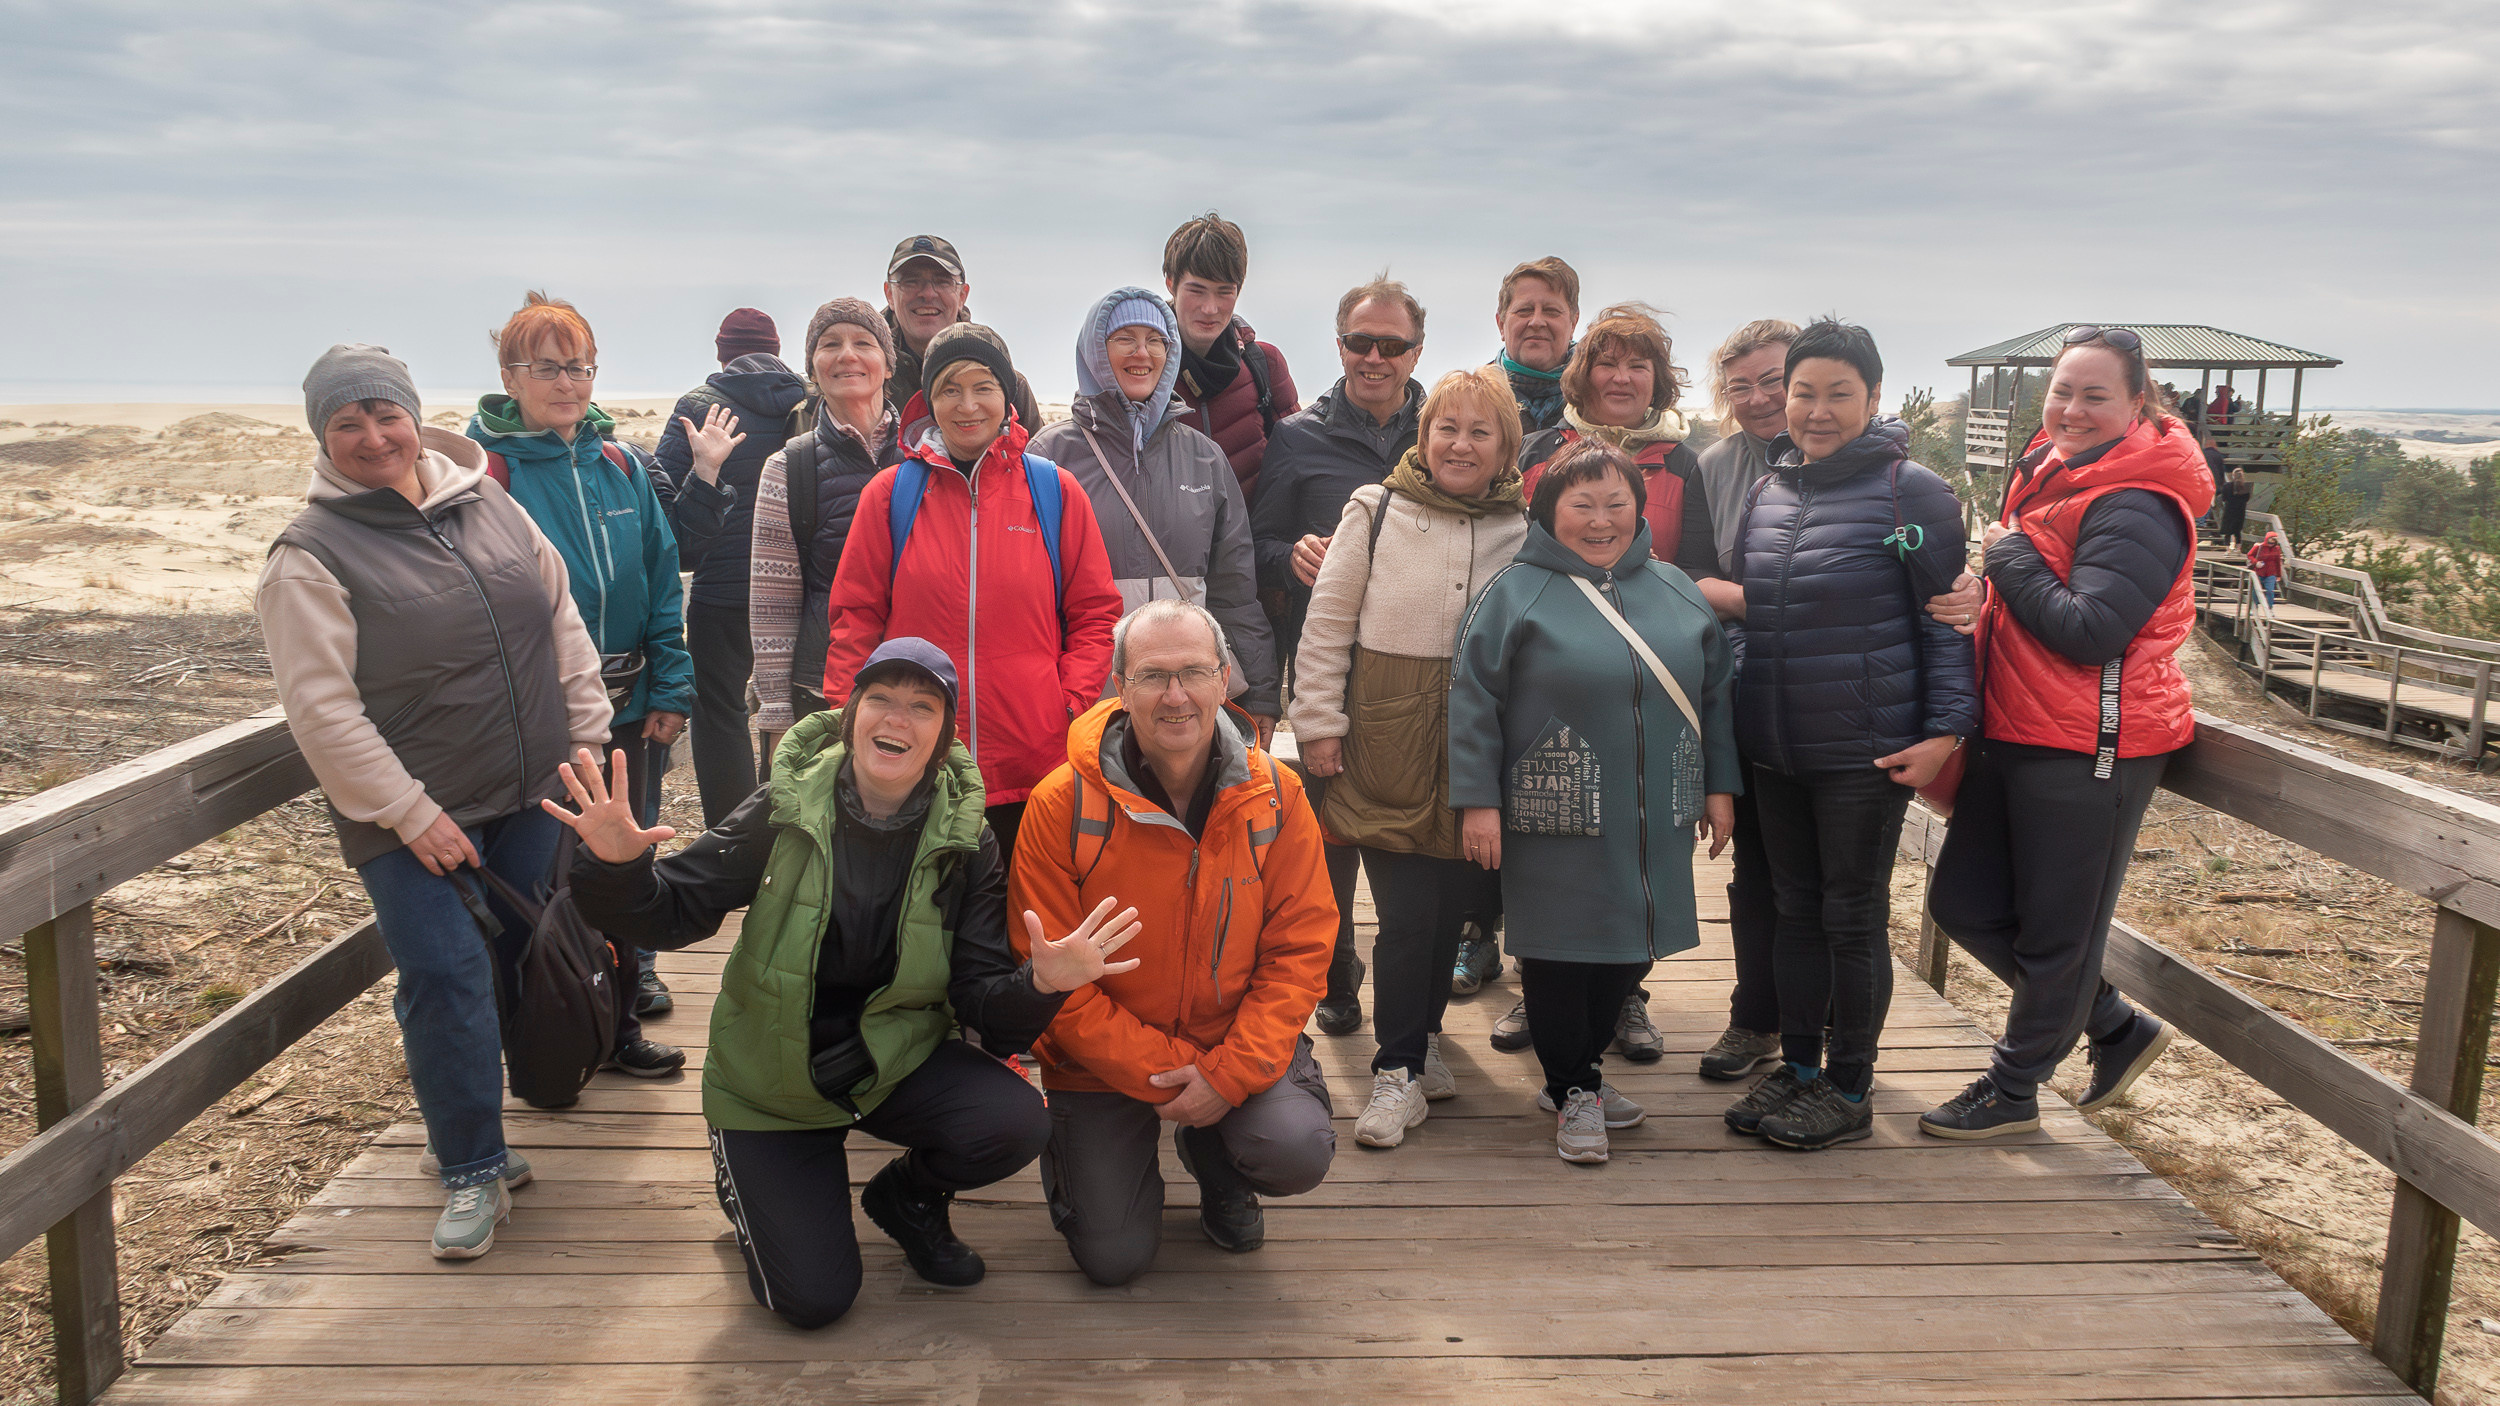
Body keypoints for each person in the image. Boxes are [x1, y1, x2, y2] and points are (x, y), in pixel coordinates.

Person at [559, 638, 1143, 1326]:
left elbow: (984, 1008)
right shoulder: (784, 805)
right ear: (851, 715)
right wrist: (618, 869)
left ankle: (906, 1198)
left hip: (890, 1067)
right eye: (881, 699)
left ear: (943, 736)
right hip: (770, 1088)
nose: (898, 719)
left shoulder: (967, 841)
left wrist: (1043, 984)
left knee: (1014, 1122)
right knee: (813, 1301)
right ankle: (753, 1184)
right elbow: (671, 914)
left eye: (922, 707)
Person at [260, 344, 612, 1259]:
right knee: (445, 972)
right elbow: (322, 710)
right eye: (348, 423)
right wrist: (411, 813)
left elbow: (559, 616)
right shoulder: (308, 555)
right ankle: (470, 1167)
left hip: (530, 791)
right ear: (323, 437)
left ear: (415, 419)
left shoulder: (486, 501)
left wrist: (586, 731)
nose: (374, 437)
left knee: (511, 964)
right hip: (408, 815)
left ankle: (461, 1126)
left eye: (387, 415)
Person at [1916, 326, 2211, 1139]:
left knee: (2057, 934)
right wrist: (1984, 595)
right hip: (2017, 726)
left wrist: (2006, 559)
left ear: (2137, 402)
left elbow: (2091, 632)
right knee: (1965, 903)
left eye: (2095, 395)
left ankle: (2014, 1093)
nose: (2073, 409)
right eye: (2062, 392)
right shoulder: (2056, 475)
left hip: (2092, 745)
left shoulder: (2139, 502)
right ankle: (2112, 1024)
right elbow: (2036, 602)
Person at [1011, 600, 1337, 1282]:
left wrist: (1228, 1075)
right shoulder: (1061, 804)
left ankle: (1217, 1164)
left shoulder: (1277, 795)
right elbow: (1055, 986)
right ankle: (1098, 1164)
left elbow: (1300, 950)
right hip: (1101, 1062)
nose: (1176, 695)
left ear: (1224, 679)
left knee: (1293, 1149)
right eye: (1153, 676)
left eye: (1194, 672)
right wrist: (1173, 1073)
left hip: (1231, 1040)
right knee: (1114, 1257)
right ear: (1120, 686)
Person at [1723, 319, 1976, 1152]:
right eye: (1804, 392)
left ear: (1872, 398)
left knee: (1852, 914)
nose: (1817, 411)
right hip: (1776, 745)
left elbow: (1948, 622)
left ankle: (1851, 1085)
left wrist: (1946, 732)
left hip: (1866, 750)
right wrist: (1743, 704)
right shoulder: (1769, 491)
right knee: (1794, 909)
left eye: (1839, 394)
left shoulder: (1914, 494)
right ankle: (1800, 1067)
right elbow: (1749, 616)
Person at [1450, 440, 1740, 1163]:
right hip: (1552, 815)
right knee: (1558, 955)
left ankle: (1574, 1079)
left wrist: (1719, 786)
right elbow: (1472, 702)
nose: (1601, 520)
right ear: (1549, 511)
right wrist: (1477, 801)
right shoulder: (1514, 593)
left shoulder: (1676, 588)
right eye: (1582, 504)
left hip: (1655, 815)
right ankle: (1575, 1086)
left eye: (1617, 503)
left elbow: (1715, 697)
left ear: (1640, 510)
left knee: (1629, 950)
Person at [1290, 367, 1528, 1148]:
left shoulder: (1523, 529)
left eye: (1480, 432)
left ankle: (1422, 1041)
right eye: (1446, 428)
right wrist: (1317, 723)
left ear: (1506, 448)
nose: (1460, 444)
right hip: (1384, 742)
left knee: (1447, 911)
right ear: (1423, 438)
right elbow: (1328, 623)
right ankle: (1395, 1070)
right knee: (1403, 916)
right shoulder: (1375, 507)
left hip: (1474, 752)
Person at [467, 291, 691, 1074]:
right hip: (541, 718)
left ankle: (619, 1026)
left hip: (628, 707)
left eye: (580, 367)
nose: (567, 383)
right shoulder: (485, 475)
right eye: (547, 368)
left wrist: (671, 684)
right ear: (510, 376)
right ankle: (547, 1036)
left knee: (620, 864)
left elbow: (661, 574)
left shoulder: (620, 465)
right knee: (539, 879)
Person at [1495, 302, 1725, 1055]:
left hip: (1644, 669)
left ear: (1658, 377)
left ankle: (1626, 998)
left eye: (1638, 364)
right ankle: (1541, 988)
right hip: (1556, 668)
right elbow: (1515, 556)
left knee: (1634, 847)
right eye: (1607, 362)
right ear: (1582, 373)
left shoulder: (1683, 461)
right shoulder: (1540, 451)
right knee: (1555, 843)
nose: (1622, 377)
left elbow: (1694, 568)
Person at [823, 321, 1123, 861]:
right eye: (950, 389)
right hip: (916, 758)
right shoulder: (890, 495)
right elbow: (856, 619)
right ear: (929, 401)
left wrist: (1066, 703)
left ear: (1006, 396)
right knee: (920, 908)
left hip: (1033, 767)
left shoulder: (1054, 490)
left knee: (1023, 906)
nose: (967, 406)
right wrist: (852, 719)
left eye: (983, 387)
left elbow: (1095, 613)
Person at [1247, 275, 1428, 1036]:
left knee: (1412, 832)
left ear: (1416, 350)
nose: (1374, 357)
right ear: (1340, 345)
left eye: (1391, 344)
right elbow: (1254, 547)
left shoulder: (1442, 431)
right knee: (1327, 829)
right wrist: (1291, 555)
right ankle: (1338, 971)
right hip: (1325, 665)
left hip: (1419, 668)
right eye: (1360, 342)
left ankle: (1414, 999)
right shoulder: (1297, 437)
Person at [1029, 287, 1281, 736]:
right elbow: (1031, 598)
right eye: (1124, 338)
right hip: (1089, 698)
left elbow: (1234, 589)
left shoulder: (1204, 457)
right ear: (1096, 350)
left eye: (1155, 340)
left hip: (1184, 695)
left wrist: (1260, 690)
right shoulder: (1051, 456)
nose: (1141, 353)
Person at [1690, 317, 1800, 1084]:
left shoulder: (1864, 460)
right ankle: (1755, 1018)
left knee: (1828, 882)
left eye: (1774, 381)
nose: (1760, 399)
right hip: (1749, 686)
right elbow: (1696, 576)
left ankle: (1828, 1040)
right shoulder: (1716, 465)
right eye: (1741, 387)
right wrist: (1773, 606)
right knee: (1756, 869)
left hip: (1841, 696)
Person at [655, 310, 810, 827]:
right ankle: (789, 825)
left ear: (722, 353)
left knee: (719, 711)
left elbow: (664, 512)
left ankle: (731, 835)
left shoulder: (698, 408)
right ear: (777, 349)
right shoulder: (808, 403)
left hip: (722, 589)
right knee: (791, 709)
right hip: (797, 588)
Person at [749, 299, 906, 760]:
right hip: (819, 695)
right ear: (813, 369)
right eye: (830, 344)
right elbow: (772, 605)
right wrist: (776, 712)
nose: (847, 355)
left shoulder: (926, 456)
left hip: (917, 687)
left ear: (887, 364)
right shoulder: (788, 468)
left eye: (864, 343)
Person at [1163, 212, 1302, 501]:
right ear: (1170, 283)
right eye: (1197, 290)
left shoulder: (1265, 364)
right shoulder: (1143, 369)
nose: (1210, 308)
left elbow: (1298, 464)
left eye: (1224, 292)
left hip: (1254, 530)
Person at [881, 235, 1043, 435]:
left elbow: (1035, 452)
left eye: (942, 282)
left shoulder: (1011, 386)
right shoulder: (868, 378)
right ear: (889, 294)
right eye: (911, 282)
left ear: (962, 295)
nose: (928, 293)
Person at [1490, 257, 1580, 433]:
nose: (1537, 322)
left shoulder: (1596, 400)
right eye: (1524, 311)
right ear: (1501, 324)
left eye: (1551, 311)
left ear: (1573, 323)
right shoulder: (1472, 397)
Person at [2248, 528, 2284, 611]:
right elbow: (2250, 555)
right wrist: (2256, 562)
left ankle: (2269, 609)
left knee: (2270, 591)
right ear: (2267, 539)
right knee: (2256, 590)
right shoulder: (2259, 547)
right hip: (2259, 571)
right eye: (2271, 540)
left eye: (2274, 541)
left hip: (2271, 573)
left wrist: (2279, 575)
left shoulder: (2277, 549)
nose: (2272, 543)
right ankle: (2254, 607)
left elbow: (2278, 562)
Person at [2219, 464, 2253, 541]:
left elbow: (2224, 498)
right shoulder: (2246, 487)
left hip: (2229, 510)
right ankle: (2238, 547)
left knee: (2227, 532)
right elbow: (2247, 499)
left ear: (2233, 475)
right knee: (2237, 532)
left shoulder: (2227, 486)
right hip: (2240, 511)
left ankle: (2227, 547)